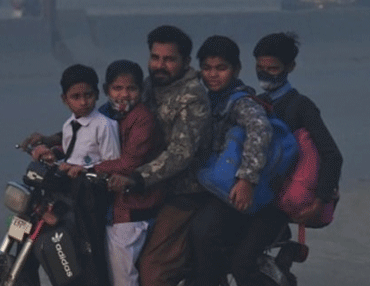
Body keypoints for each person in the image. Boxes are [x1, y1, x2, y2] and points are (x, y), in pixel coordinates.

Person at [229, 32, 343, 286]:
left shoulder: (301, 107)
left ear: (290, 68)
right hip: (253, 197)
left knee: (243, 263)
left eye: (273, 69)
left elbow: (332, 155)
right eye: (260, 68)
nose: (266, 74)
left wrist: (320, 199)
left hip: (279, 204)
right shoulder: (256, 103)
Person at [109, 25, 212, 286]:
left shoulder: (192, 97)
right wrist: (57, 141)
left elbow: (180, 154)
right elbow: (108, 116)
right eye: (155, 58)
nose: (160, 65)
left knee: (153, 273)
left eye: (169, 59)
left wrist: (136, 177)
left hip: (181, 193)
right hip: (144, 189)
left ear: (185, 61)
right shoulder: (147, 86)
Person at [189, 35, 272, 286]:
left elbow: (260, 129)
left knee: (202, 234)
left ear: (235, 70)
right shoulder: (206, 99)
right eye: (207, 68)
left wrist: (247, 178)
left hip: (232, 190)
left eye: (221, 68)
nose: (213, 75)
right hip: (210, 185)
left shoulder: (241, 102)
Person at [29, 63, 121, 286]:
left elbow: (112, 163)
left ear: (97, 95)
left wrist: (87, 170)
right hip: (72, 189)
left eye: (88, 95)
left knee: (85, 250)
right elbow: (73, 154)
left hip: (91, 193)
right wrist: (51, 156)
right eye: (76, 96)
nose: (83, 101)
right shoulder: (70, 125)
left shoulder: (104, 125)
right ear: (64, 99)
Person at [94, 60, 165, 286]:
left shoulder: (143, 118)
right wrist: (52, 147)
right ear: (107, 91)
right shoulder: (105, 113)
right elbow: (83, 135)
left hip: (133, 207)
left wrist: (87, 168)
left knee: (123, 278)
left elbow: (129, 163)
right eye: (117, 88)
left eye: (131, 88)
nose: (124, 95)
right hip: (110, 202)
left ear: (140, 91)